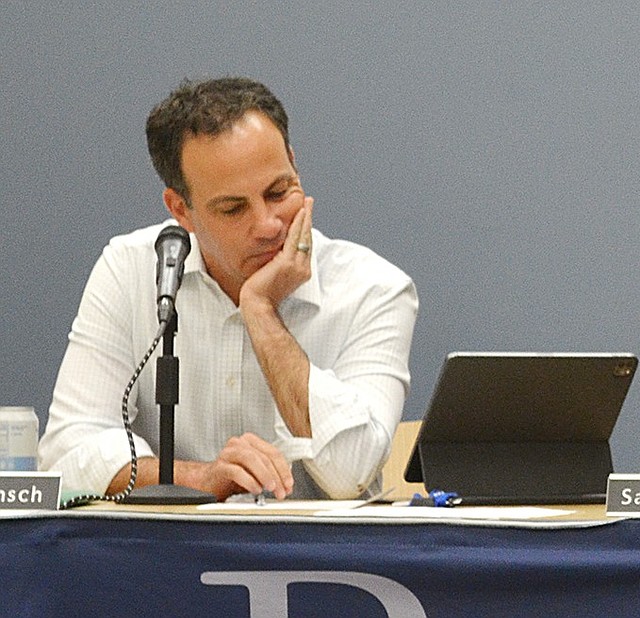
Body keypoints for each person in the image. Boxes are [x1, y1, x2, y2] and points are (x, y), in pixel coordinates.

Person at [39, 77, 418, 501]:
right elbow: (67, 450)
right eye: (233, 208)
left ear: (294, 164)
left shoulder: (376, 289)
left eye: (279, 191)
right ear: (181, 210)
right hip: (167, 552)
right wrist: (200, 479)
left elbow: (350, 476)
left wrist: (259, 309)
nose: (269, 225)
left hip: (319, 560)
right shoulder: (132, 269)